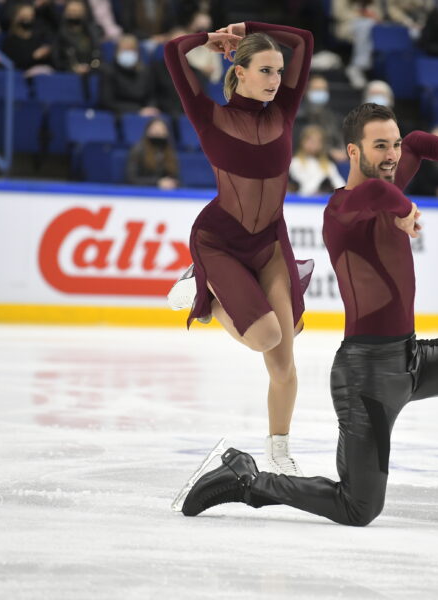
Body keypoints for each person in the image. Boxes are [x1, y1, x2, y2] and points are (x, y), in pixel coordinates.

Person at [173, 102, 438, 525]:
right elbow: (376, 195)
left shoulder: (391, 178)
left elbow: (418, 142)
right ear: (353, 152)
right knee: (359, 506)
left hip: (412, 360)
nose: (394, 154)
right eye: (380, 146)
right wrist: (404, 210)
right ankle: (247, 479)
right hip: (366, 378)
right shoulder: (342, 209)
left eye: (394, 145)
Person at [163, 22, 315, 475]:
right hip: (220, 241)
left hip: (269, 243)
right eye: (266, 70)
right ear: (239, 70)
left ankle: (279, 451)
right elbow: (174, 51)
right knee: (264, 336)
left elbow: (304, 40)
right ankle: (202, 295)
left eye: (278, 71)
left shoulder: (284, 110)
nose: (275, 80)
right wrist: (210, 40)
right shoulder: (207, 113)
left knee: (284, 360)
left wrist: (251, 28)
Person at [99, 35, 162, 115]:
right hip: (119, 114)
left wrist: (151, 107)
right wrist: (137, 110)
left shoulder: (145, 72)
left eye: (131, 50)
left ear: (137, 53)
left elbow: (152, 96)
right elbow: (107, 102)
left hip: (144, 113)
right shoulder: (108, 71)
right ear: (116, 52)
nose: (128, 53)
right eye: (124, 50)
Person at [294, 75, 347, 163]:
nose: (319, 92)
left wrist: (341, 151)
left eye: (323, 89)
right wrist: (329, 151)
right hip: (303, 161)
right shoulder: (297, 116)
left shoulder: (333, 117)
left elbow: (339, 140)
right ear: (306, 91)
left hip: (329, 163)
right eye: (316, 89)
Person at [289, 125, 346, 196]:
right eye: (310, 140)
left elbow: (340, 184)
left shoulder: (328, 165)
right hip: (298, 203)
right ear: (302, 141)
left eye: (318, 141)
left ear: (322, 144)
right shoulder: (295, 162)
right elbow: (304, 189)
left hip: (320, 202)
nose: (314, 144)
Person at [125, 118, 179, 189]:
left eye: (162, 129)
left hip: (166, 194)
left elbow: (177, 178)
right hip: (142, 193)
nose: (158, 132)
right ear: (147, 131)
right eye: (155, 129)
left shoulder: (169, 152)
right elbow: (131, 178)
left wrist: (172, 183)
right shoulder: (138, 150)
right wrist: (157, 182)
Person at [52, 0, 102, 75]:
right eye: (71, 11)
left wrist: (90, 68)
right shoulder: (60, 34)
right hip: (67, 74)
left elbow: (97, 56)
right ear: (65, 13)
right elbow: (57, 59)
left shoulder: (91, 33)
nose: (74, 14)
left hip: (91, 73)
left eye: (77, 12)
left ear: (83, 13)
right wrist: (72, 68)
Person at [2, 4, 53, 73]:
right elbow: (14, 63)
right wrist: (33, 57)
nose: (28, 19)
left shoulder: (37, 39)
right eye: (24, 16)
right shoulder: (10, 41)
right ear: (16, 18)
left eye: (30, 16)